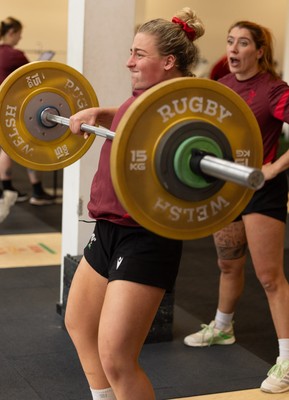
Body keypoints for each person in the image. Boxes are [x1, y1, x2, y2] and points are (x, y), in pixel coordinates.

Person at [65, 8, 205, 400]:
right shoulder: (147, 100)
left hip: (147, 236)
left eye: (139, 54)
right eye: (131, 52)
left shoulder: (188, 104)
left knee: (117, 358)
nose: (129, 61)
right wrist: (101, 111)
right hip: (109, 227)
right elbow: (135, 121)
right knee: (79, 323)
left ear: (168, 61)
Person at [184, 20, 289, 394]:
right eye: (230, 41)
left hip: (262, 192)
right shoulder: (222, 88)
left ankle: (287, 360)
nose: (233, 49)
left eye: (243, 43)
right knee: (228, 264)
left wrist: (274, 167)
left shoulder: (274, 90)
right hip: (226, 189)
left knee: (269, 278)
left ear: (259, 51)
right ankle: (223, 327)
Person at [0, 17, 55, 206]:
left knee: (6, 147)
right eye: (19, 34)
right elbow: (34, 73)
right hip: (16, 108)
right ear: (11, 32)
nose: (20, 38)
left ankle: (8, 190)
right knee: (30, 145)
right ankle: (37, 192)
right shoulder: (15, 55)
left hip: (3, 108)